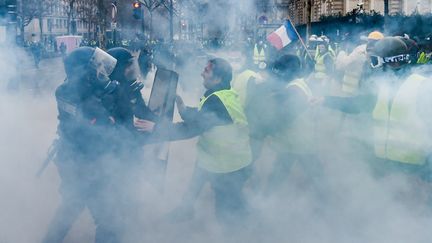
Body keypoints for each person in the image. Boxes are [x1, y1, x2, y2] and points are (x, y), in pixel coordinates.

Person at [135, 58, 252, 230]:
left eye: (206, 71)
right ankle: (186, 209)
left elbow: (191, 129)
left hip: (228, 164)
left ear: (218, 78)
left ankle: (240, 230)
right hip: (217, 156)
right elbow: (203, 118)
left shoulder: (217, 100)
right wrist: (182, 108)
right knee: (197, 179)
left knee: (227, 211)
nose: (201, 73)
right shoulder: (221, 93)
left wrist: (156, 128)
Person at [319, 37, 432, 203]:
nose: (372, 67)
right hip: (383, 167)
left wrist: (427, 174)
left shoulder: (424, 87)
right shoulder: (383, 87)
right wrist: (325, 100)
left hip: (413, 173)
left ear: (392, 61)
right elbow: (359, 104)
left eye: (374, 61)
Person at [41, 47, 121, 243]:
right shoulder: (86, 100)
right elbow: (106, 125)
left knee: (69, 208)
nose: (100, 69)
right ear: (84, 71)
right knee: (108, 221)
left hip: (71, 161)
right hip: (85, 165)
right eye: (97, 65)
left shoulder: (65, 89)